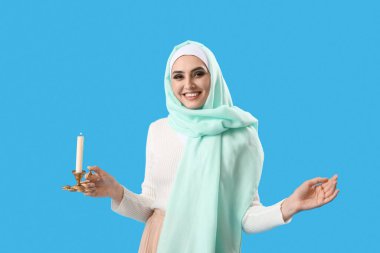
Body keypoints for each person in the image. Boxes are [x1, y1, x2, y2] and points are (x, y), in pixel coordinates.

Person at [81, 40, 340, 253]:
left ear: (213, 77)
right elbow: (150, 207)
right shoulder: (158, 130)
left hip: (211, 243)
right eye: (178, 77)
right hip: (159, 242)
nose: (188, 85)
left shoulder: (241, 136)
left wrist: (289, 206)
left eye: (198, 73)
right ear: (169, 84)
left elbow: (246, 218)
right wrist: (116, 191)